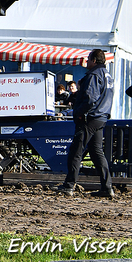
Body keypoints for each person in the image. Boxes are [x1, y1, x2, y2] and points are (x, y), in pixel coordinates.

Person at [58, 49, 114, 198]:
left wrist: (79, 112)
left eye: (88, 59)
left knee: (76, 151)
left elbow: (90, 98)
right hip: (101, 118)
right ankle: (107, 187)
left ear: (94, 60)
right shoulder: (108, 76)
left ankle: (69, 186)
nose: (86, 62)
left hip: (89, 118)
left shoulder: (94, 75)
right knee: (97, 152)